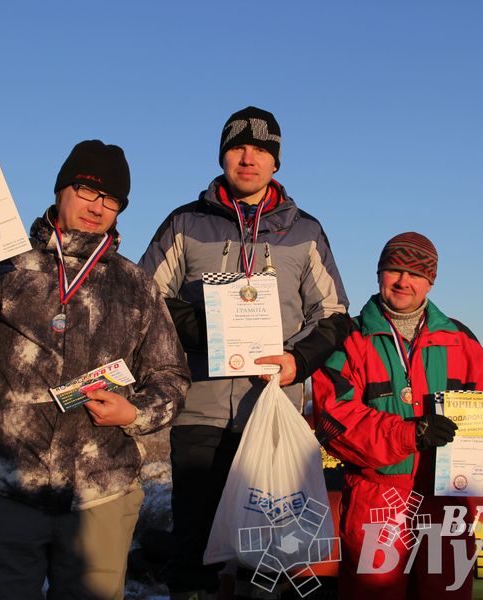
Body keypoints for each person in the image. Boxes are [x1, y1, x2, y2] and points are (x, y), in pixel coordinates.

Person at [0, 140, 190, 600]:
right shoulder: (2, 267)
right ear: (61, 190)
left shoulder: (136, 285)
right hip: (3, 490)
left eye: (111, 199)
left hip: (100, 496)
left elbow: (170, 378)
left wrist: (134, 413)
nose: (97, 206)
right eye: (86, 189)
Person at [139, 106, 349, 599]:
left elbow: (335, 315)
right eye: (237, 147)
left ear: (276, 162)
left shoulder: (305, 231)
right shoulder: (185, 223)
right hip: (200, 413)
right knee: (193, 550)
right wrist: (206, 331)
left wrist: (299, 361)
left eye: (260, 149)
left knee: (271, 556)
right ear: (223, 156)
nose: (248, 158)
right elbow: (145, 299)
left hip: (274, 412)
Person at [312, 232, 483, 599]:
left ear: (430, 281)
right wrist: (409, 435)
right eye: (394, 270)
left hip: (446, 504)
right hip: (378, 501)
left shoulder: (460, 339)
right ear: (379, 274)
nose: (404, 281)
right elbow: (335, 421)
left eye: (415, 273)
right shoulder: (349, 338)